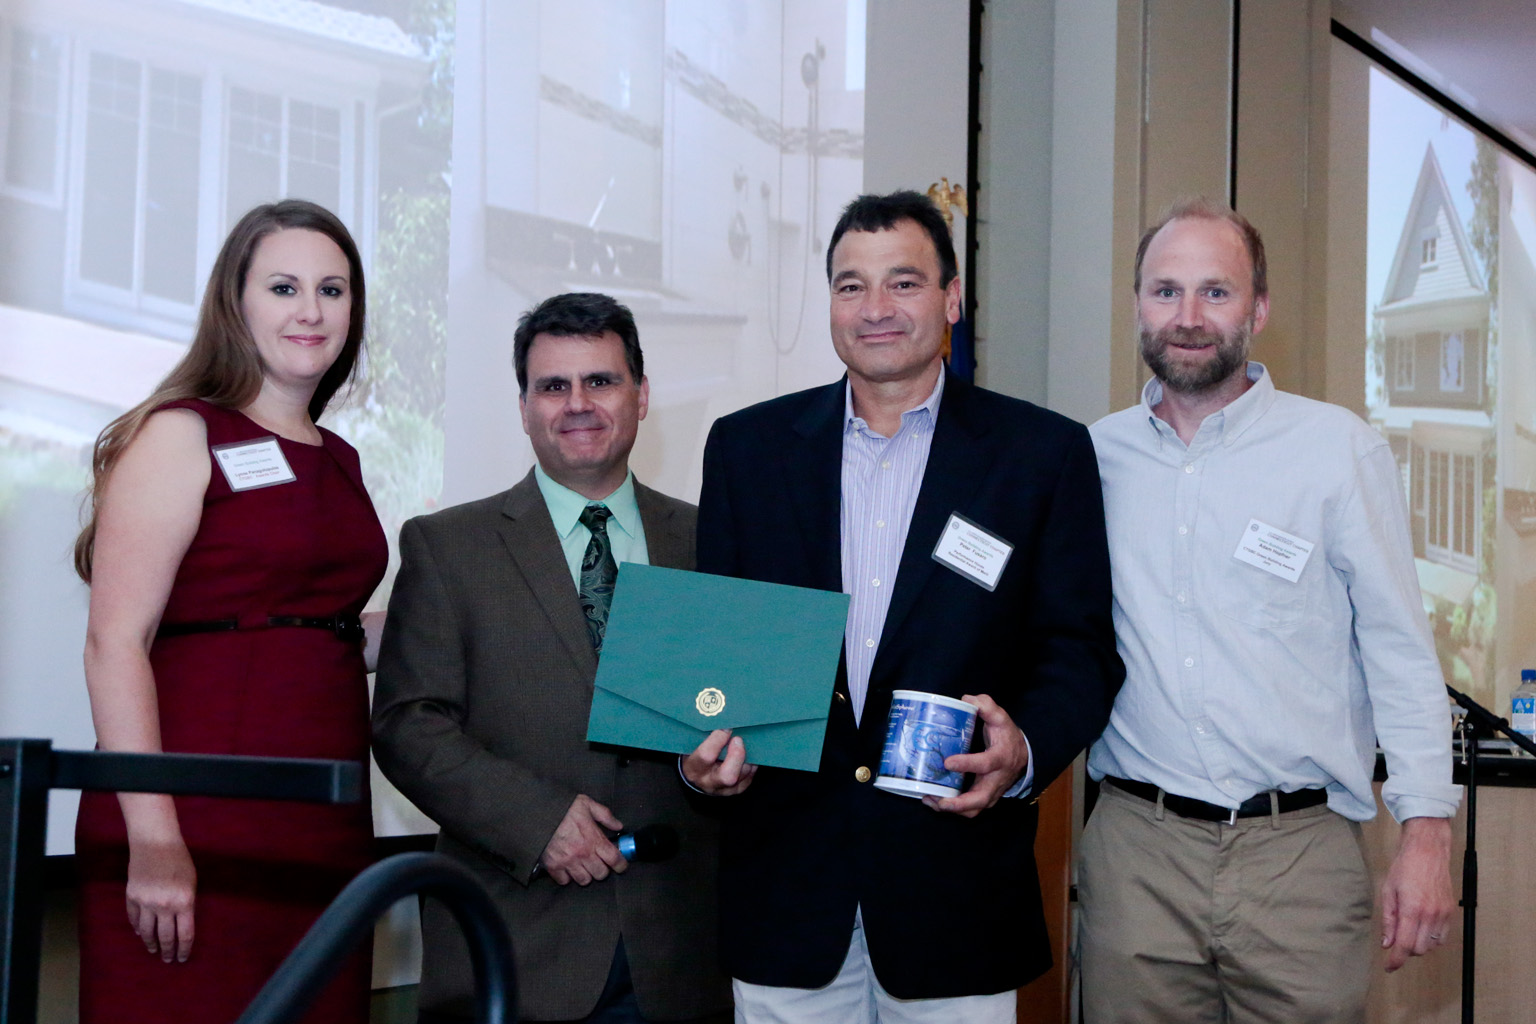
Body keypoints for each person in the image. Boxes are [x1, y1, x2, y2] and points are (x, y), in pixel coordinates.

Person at [682, 190, 1124, 1022]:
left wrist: (1022, 750)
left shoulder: (1041, 454)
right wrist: (698, 756)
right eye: (851, 286)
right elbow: (719, 651)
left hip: (956, 895)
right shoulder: (747, 448)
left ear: (953, 299)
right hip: (786, 896)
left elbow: (1079, 650)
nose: (875, 308)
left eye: (904, 283)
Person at [1077, 196, 1461, 1022]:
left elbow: (1400, 652)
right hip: (1137, 858)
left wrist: (1427, 830)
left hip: (1300, 859)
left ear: (1258, 310)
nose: (1188, 317)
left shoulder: (1337, 450)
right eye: (1166, 291)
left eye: (1216, 292)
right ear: (1138, 305)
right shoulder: (1092, 458)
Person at [372, 292, 731, 1024]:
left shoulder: (711, 542)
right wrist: (538, 823)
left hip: (684, 954)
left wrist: (722, 770)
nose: (578, 404)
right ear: (524, 407)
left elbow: (736, 714)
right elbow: (409, 726)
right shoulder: (447, 547)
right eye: (552, 386)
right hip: (514, 948)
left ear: (641, 397)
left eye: (600, 381)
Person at [72, 199, 385, 1024]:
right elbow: (114, 641)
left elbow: (323, 630)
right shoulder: (182, 434)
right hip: (194, 818)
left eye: (332, 290)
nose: (311, 310)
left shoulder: (342, 459)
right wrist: (154, 837)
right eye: (284, 287)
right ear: (234, 303)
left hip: (321, 826)